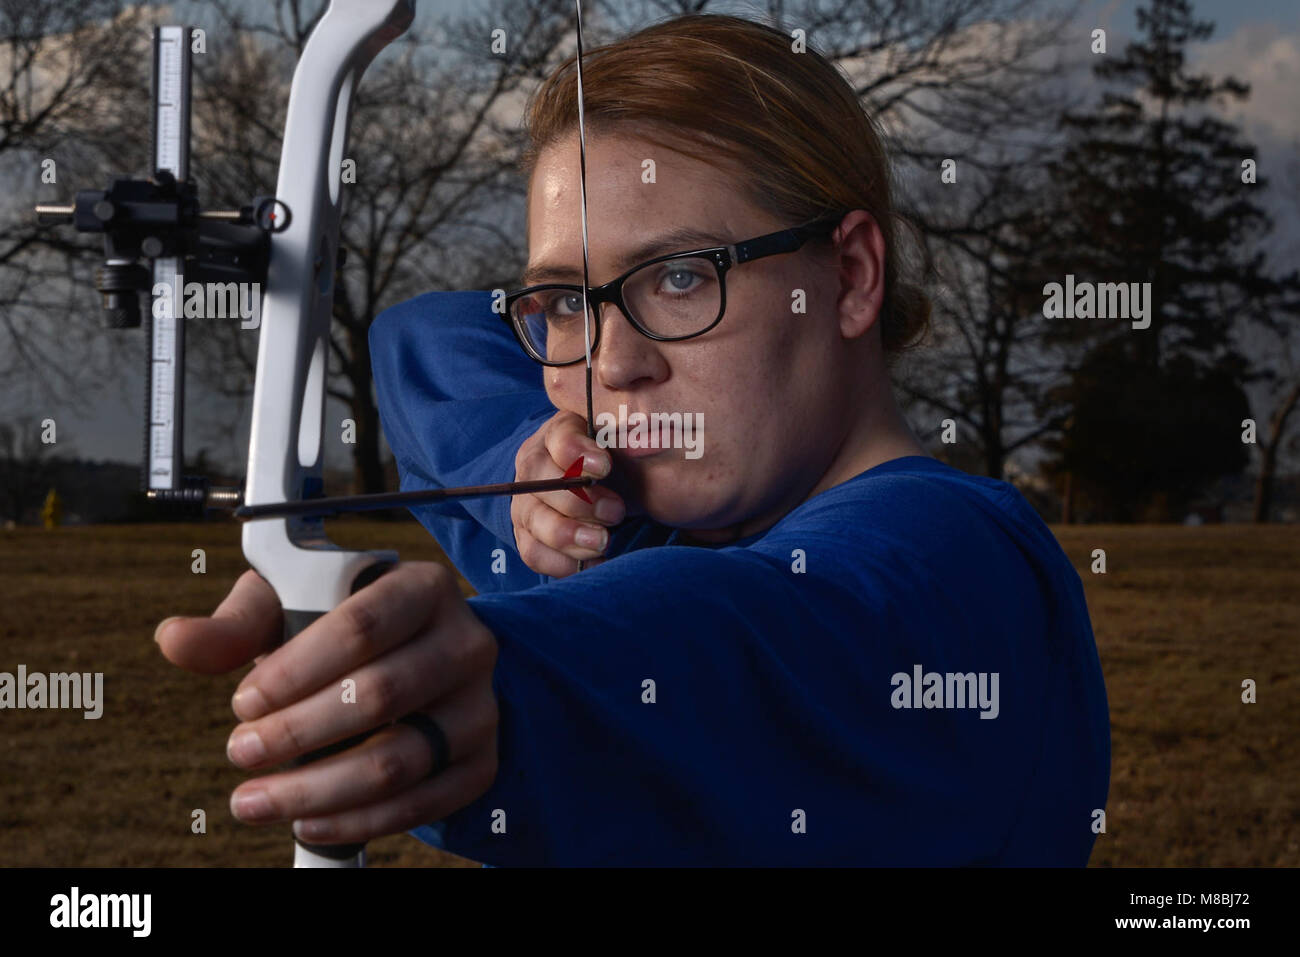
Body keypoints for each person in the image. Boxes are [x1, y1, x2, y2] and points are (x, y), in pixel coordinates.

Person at [156, 13, 1110, 866]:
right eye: (568, 302)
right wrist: (526, 459)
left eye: (682, 277)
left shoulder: (961, 563)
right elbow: (426, 334)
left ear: (853, 276)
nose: (612, 365)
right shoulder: (609, 517)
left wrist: (494, 685)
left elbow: (732, 639)